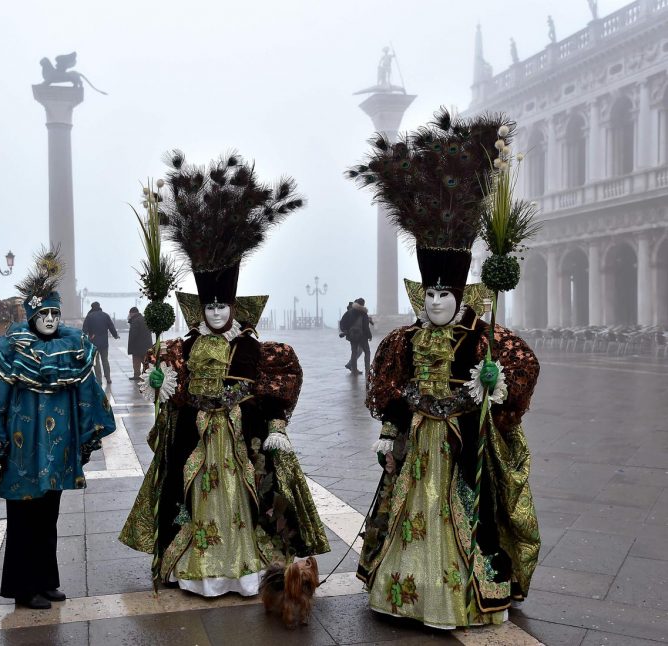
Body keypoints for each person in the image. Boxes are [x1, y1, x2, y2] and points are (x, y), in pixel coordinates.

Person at [348, 110, 540, 628]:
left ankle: (463, 592)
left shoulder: (484, 336)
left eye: (444, 293)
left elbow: (519, 369)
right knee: (411, 511)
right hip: (417, 443)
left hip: (463, 443)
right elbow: (391, 391)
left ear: (459, 294)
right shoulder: (403, 340)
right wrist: (390, 433)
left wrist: (493, 385)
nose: (435, 302)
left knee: (465, 514)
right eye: (429, 293)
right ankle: (406, 591)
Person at [120, 150, 329, 596]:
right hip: (197, 435)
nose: (215, 311)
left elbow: (270, 389)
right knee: (195, 496)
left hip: (238, 434)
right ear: (201, 306)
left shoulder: (253, 346)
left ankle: (242, 566)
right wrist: (161, 383)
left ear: (233, 306)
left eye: (222, 304)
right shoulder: (184, 344)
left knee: (245, 496)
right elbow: (170, 388)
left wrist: (275, 425)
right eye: (209, 304)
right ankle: (197, 568)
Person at [0, 249, 116, 609]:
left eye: (54, 313)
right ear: (31, 315)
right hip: (20, 450)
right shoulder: (12, 350)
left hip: (56, 451)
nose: (49, 319)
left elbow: (86, 394)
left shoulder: (70, 348)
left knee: (49, 515)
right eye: (43, 313)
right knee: (24, 519)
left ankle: (46, 580)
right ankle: (23, 588)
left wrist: (89, 433)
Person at [82, 301, 119, 384]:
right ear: (99, 306)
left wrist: (84, 339)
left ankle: (99, 380)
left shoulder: (89, 316)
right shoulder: (105, 315)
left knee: (96, 362)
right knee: (105, 360)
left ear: (92, 307)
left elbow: (84, 330)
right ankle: (108, 378)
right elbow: (111, 327)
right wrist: (115, 335)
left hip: (93, 342)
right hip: (104, 343)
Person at [339, 298, 373, 374]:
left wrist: (345, 330)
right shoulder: (363, 313)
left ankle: (354, 370)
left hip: (352, 336)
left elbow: (342, 322)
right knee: (367, 352)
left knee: (354, 352)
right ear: (363, 304)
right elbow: (365, 327)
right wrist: (369, 335)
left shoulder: (350, 312)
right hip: (362, 337)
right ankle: (367, 370)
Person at [126, 306, 152, 381]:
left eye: (130, 314)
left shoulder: (135, 321)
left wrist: (131, 345)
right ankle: (147, 375)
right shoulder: (144, 319)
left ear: (132, 313)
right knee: (145, 361)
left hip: (137, 345)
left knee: (136, 361)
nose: (129, 315)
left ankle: (137, 375)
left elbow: (133, 334)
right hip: (147, 344)